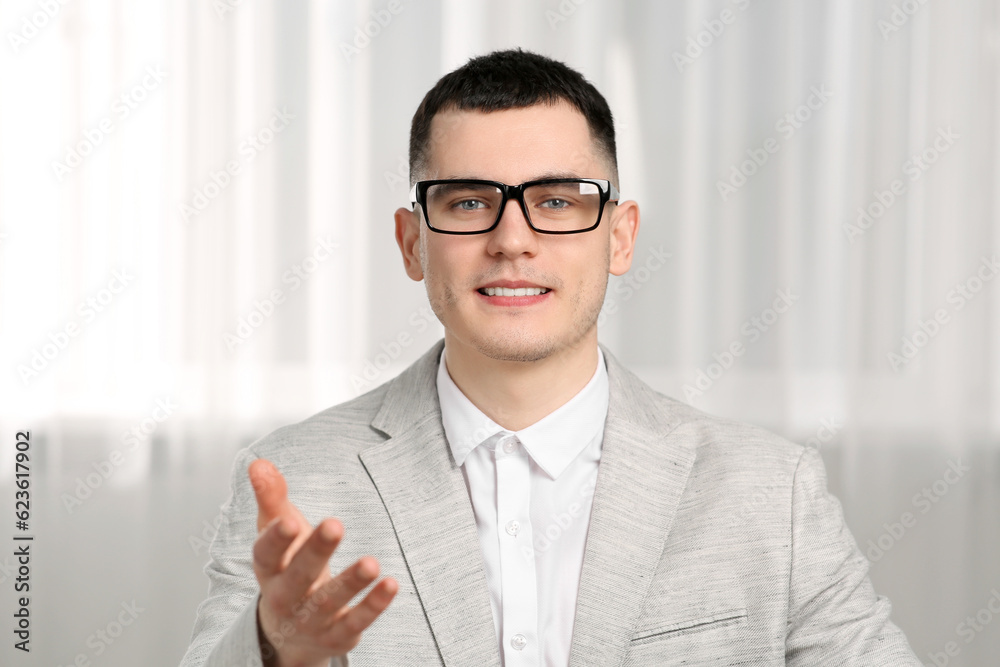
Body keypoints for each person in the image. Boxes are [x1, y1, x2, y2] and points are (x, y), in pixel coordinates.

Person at [180, 48, 920, 666]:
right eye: (469, 201)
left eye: (558, 201)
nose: (513, 239)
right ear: (412, 242)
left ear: (620, 235)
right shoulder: (293, 480)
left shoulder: (772, 492)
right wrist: (272, 650)